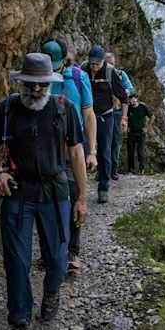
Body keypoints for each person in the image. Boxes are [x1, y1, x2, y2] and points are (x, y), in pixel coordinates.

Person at [0, 53, 87, 330]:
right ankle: (19, 320)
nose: (37, 88)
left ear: (50, 82)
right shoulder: (6, 110)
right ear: (22, 82)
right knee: (16, 260)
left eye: (42, 83)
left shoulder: (65, 109)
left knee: (58, 258)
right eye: (31, 83)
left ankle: (51, 292)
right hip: (18, 190)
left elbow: (76, 153)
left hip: (55, 191)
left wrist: (82, 198)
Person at [41, 38, 97, 275]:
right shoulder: (38, 77)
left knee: (74, 194)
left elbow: (89, 114)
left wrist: (92, 151)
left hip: (72, 150)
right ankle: (51, 250)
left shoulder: (78, 77)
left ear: (63, 59)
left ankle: (72, 251)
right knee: (46, 199)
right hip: (45, 151)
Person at [83, 45, 127, 203]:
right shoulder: (83, 70)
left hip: (105, 117)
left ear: (103, 61)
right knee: (82, 149)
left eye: (97, 63)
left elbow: (123, 97)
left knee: (104, 151)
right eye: (92, 63)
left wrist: (124, 117)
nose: (94, 66)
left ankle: (103, 187)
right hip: (86, 117)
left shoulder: (110, 72)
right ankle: (79, 188)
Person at [104, 52, 136, 181]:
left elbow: (132, 90)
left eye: (112, 64)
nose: (110, 66)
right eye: (108, 64)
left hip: (116, 112)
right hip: (102, 112)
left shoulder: (121, 75)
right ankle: (103, 170)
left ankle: (113, 170)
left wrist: (125, 91)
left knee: (115, 141)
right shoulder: (98, 75)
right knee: (103, 141)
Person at [126, 94, 154, 175]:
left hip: (141, 133)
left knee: (140, 152)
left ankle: (141, 169)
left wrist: (147, 127)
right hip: (131, 133)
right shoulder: (128, 108)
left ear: (136, 99)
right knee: (130, 152)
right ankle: (130, 170)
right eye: (130, 99)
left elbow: (152, 117)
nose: (131, 100)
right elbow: (124, 117)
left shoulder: (143, 107)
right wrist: (127, 126)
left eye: (132, 98)